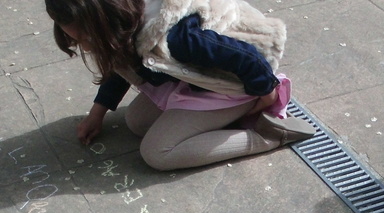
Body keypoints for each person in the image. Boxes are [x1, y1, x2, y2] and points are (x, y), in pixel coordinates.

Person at [45, 0, 316, 171]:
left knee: (158, 153)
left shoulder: (178, 37)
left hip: (230, 86)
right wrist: (98, 111)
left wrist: (266, 96)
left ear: (105, 24)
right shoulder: (124, 17)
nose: (81, 45)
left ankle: (269, 135)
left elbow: (249, 59)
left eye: (82, 39)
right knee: (136, 122)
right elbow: (121, 64)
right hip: (192, 77)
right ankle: (212, 125)